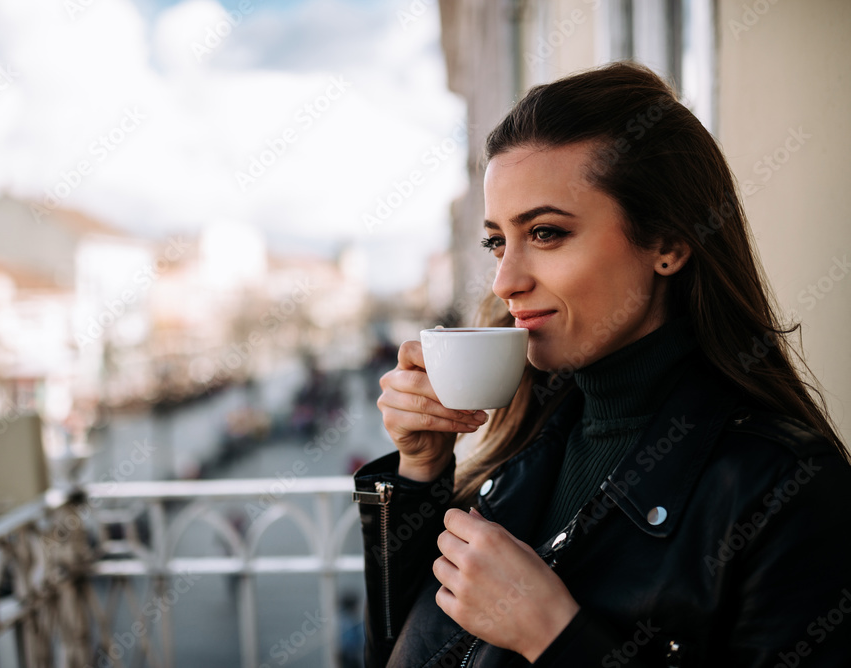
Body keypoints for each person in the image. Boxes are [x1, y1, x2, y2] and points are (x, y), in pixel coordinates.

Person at [353, 62, 851, 667]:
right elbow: (402, 654)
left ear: (668, 244)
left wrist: (554, 636)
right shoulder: (524, 446)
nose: (506, 280)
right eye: (496, 242)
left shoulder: (785, 489)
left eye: (545, 233)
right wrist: (419, 475)